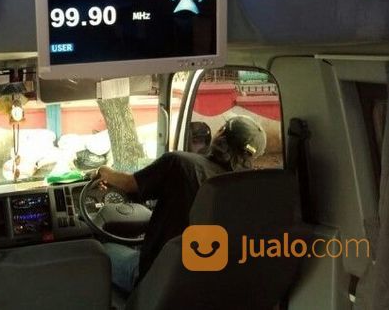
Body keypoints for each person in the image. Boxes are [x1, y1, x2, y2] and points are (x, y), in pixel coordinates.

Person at [97, 115, 267, 293]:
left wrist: (104, 171)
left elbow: (128, 184)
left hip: (158, 278)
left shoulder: (180, 163)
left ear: (221, 133)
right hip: (209, 283)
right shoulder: (247, 191)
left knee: (100, 249)